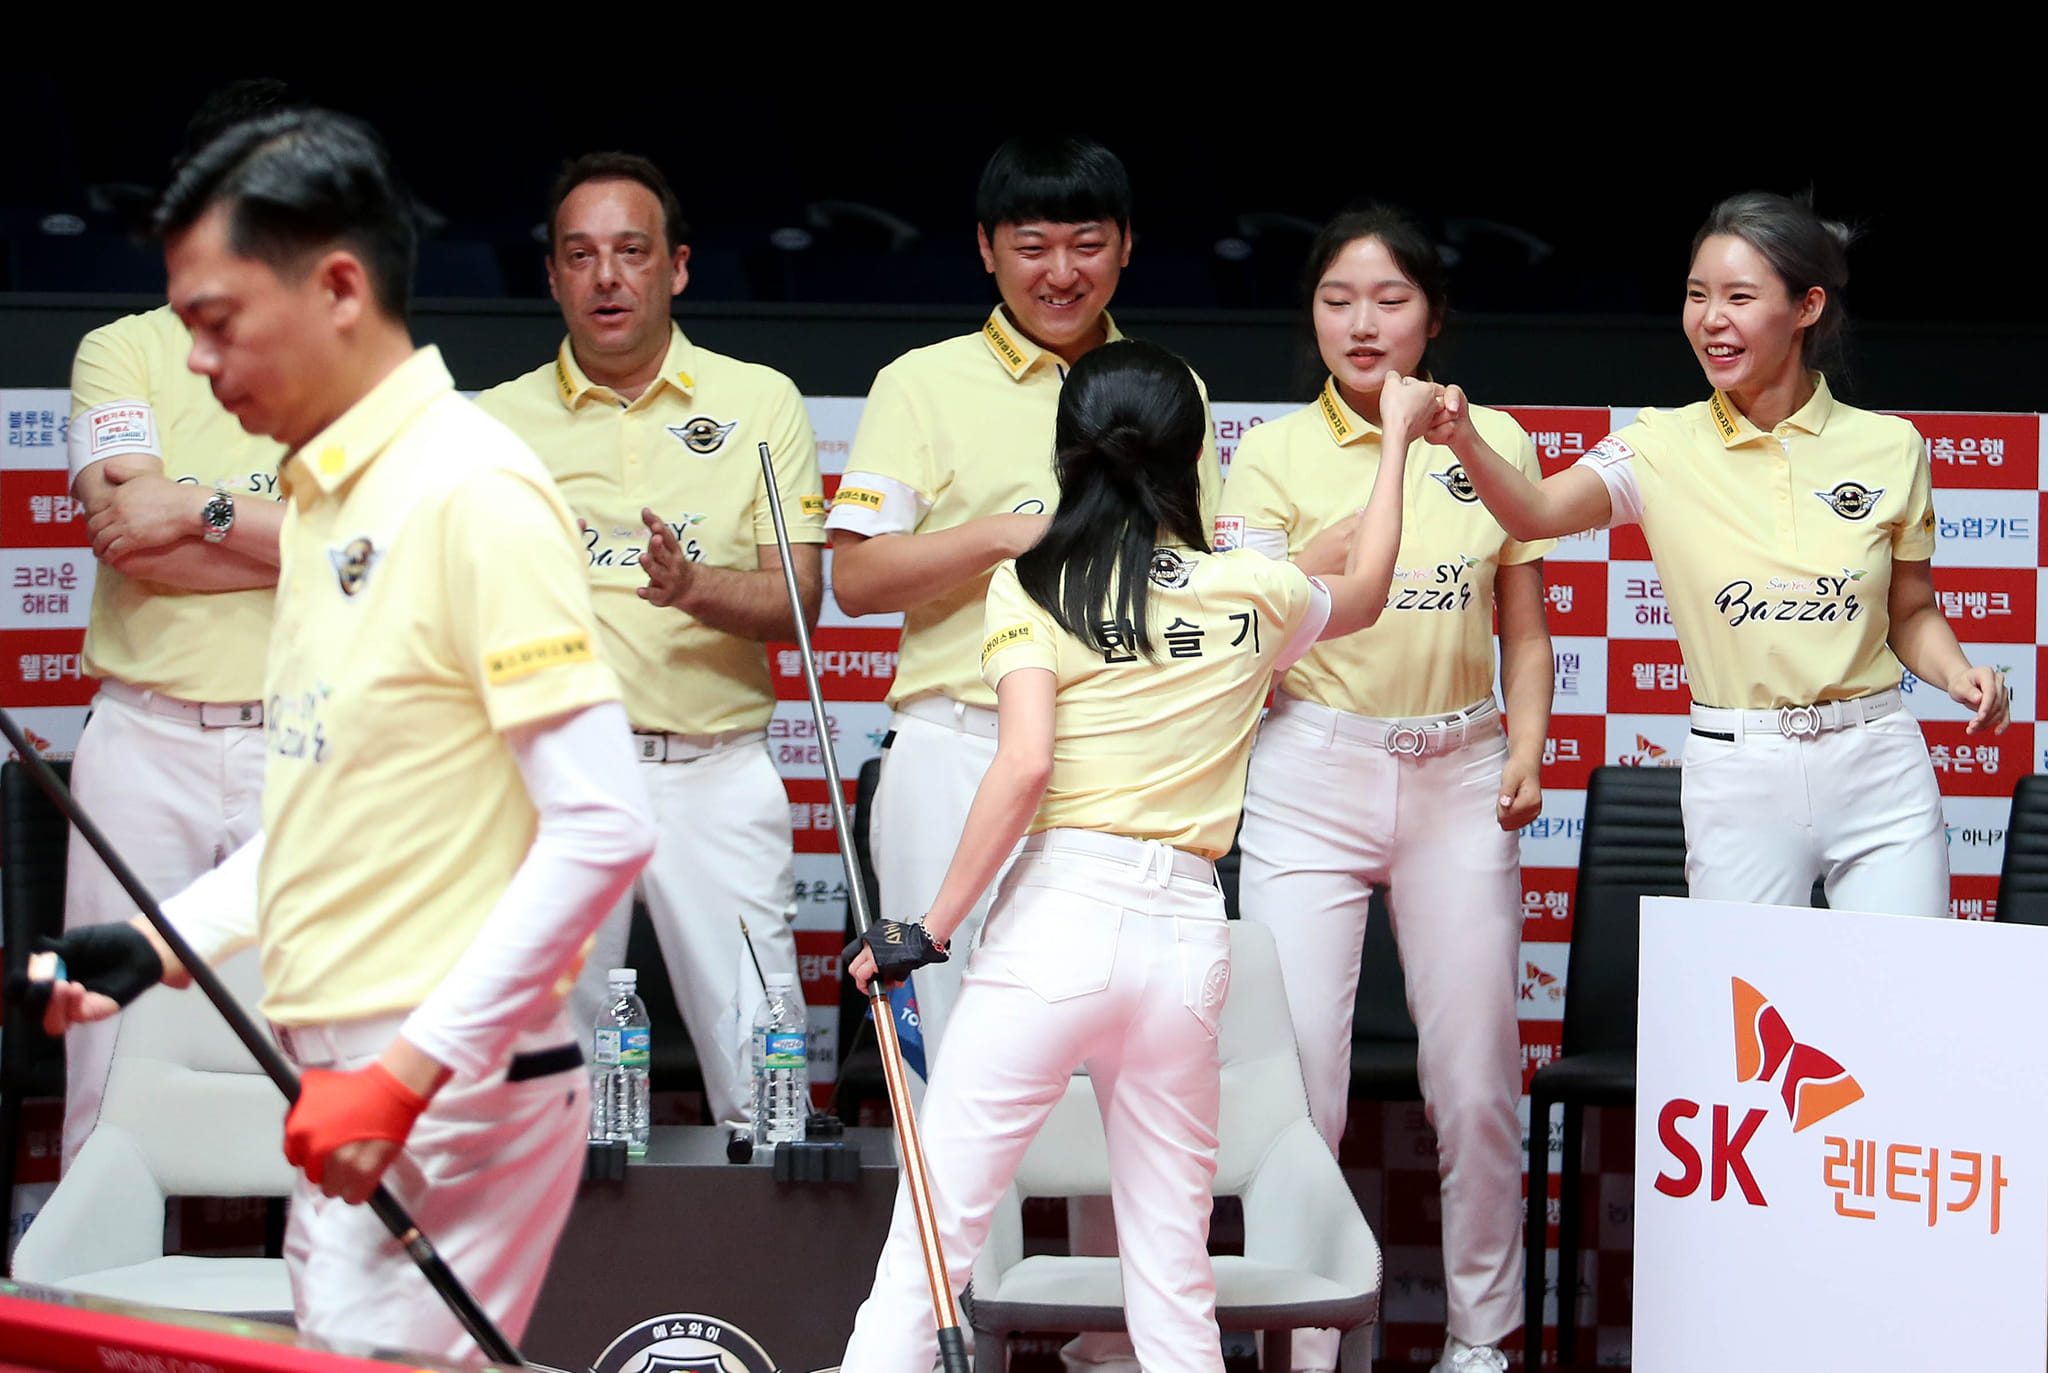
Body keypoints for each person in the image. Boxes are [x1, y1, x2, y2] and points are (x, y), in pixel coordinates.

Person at [29, 109, 655, 1359]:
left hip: (448, 1088)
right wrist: (157, 945)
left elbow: (603, 823)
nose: (196, 363)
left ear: (337, 289)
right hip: (354, 1081)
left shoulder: (469, 489)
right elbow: (339, 803)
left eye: (220, 319)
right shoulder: (325, 502)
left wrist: (407, 1069)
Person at [838, 340, 1440, 1372]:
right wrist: (1392, 442)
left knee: (927, 1245)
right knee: (1171, 1274)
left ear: (1065, 450)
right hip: (1184, 944)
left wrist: (922, 930)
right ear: (1192, 458)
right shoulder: (1252, 588)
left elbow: (1021, 765)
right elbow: (1373, 583)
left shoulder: (1034, 586)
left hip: (1057, 927)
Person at [1455, 190, 2009, 915]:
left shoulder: (1890, 445)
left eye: (1739, 297)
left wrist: (1959, 670)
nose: (1711, 319)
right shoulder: (1657, 444)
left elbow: (1910, 612)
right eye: (1696, 296)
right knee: (1747, 1010)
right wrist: (1463, 438)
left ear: (1806, 307)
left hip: (1877, 760)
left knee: (1894, 1004)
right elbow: (1536, 510)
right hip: (1738, 765)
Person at [1213, 207, 1551, 1373]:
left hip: (1456, 772)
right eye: (1337, 299)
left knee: (1473, 1084)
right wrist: (1388, 465)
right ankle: (1306, 1347)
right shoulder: (1263, 454)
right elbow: (1257, 610)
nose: (1361, 323)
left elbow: (1525, 625)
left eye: (1389, 299)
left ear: (1435, 314)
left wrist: (1525, 742)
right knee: (1300, 1083)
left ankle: (1478, 1338)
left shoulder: (1495, 435)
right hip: (1311, 769)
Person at [824, 135, 1224, 1071]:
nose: (1060, 271)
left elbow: (1197, 574)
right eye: (1032, 243)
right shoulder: (919, 383)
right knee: (949, 1058)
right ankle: (955, 1230)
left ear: (1126, 245)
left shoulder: (1174, 389)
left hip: (1117, 763)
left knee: (1107, 1063)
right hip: (954, 750)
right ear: (985, 248)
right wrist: (1006, 535)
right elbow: (856, 579)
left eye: (1086, 242)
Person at [475, 152, 822, 1127]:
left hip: (714, 768)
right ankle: (557, 1276)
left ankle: (773, 1274)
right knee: (547, 1077)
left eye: (630, 252)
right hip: (559, 775)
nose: (605, 277)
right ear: (550, 277)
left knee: (767, 1063)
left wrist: (694, 586)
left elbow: (803, 600)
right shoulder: (494, 423)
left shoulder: (759, 401)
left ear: (675, 267)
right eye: (578, 256)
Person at [58, 78, 298, 1173]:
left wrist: (197, 508)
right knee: (105, 1042)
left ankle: (334, 1334)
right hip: (142, 741)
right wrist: (276, 535)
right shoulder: (125, 349)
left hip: (306, 744)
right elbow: (123, 532)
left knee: (316, 1049)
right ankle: (84, 1313)